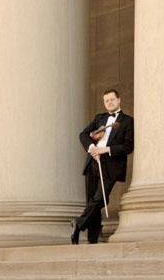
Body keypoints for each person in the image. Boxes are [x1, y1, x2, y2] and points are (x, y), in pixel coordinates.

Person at [71, 88, 134, 244]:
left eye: (112, 99)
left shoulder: (127, 121)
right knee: (92, 200)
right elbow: (83, 135)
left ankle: (79, 223)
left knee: (100, 199)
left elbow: (128, 146)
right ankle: (92, 238)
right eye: (106, 100)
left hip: (111, 164)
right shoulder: (99, 118)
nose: (109, 102)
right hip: (93, 161)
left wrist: (105, 149)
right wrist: (92, 148)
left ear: (119, 100)